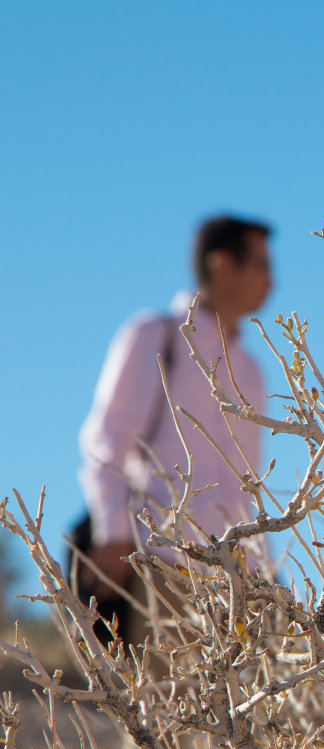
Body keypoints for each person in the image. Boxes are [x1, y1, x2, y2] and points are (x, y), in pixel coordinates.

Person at [77, 215, 273, 641]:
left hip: (238, 581)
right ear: (222, 265)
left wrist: (261, 573)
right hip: (163, 563)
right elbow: (108, 438)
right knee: (175, 701)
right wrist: (111, 534)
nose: (272, 279)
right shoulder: (155, 335)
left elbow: (247, 483)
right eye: (260, 264)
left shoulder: (252, 370)